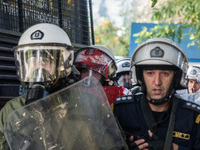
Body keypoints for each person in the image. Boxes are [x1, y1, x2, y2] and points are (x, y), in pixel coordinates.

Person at [0, 23, 77, 149]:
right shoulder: (12, 110)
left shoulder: (81, 103)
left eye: (46, 61)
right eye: (33, 61)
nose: (39, 68)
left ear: (65, 64)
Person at [113, 38, 200, 149]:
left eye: (165, 73)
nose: (157, 82)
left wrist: (172, 148)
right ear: (141, 76)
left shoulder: (192, 117)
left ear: (176, 78)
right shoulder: (120, 111)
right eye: (150, 73)